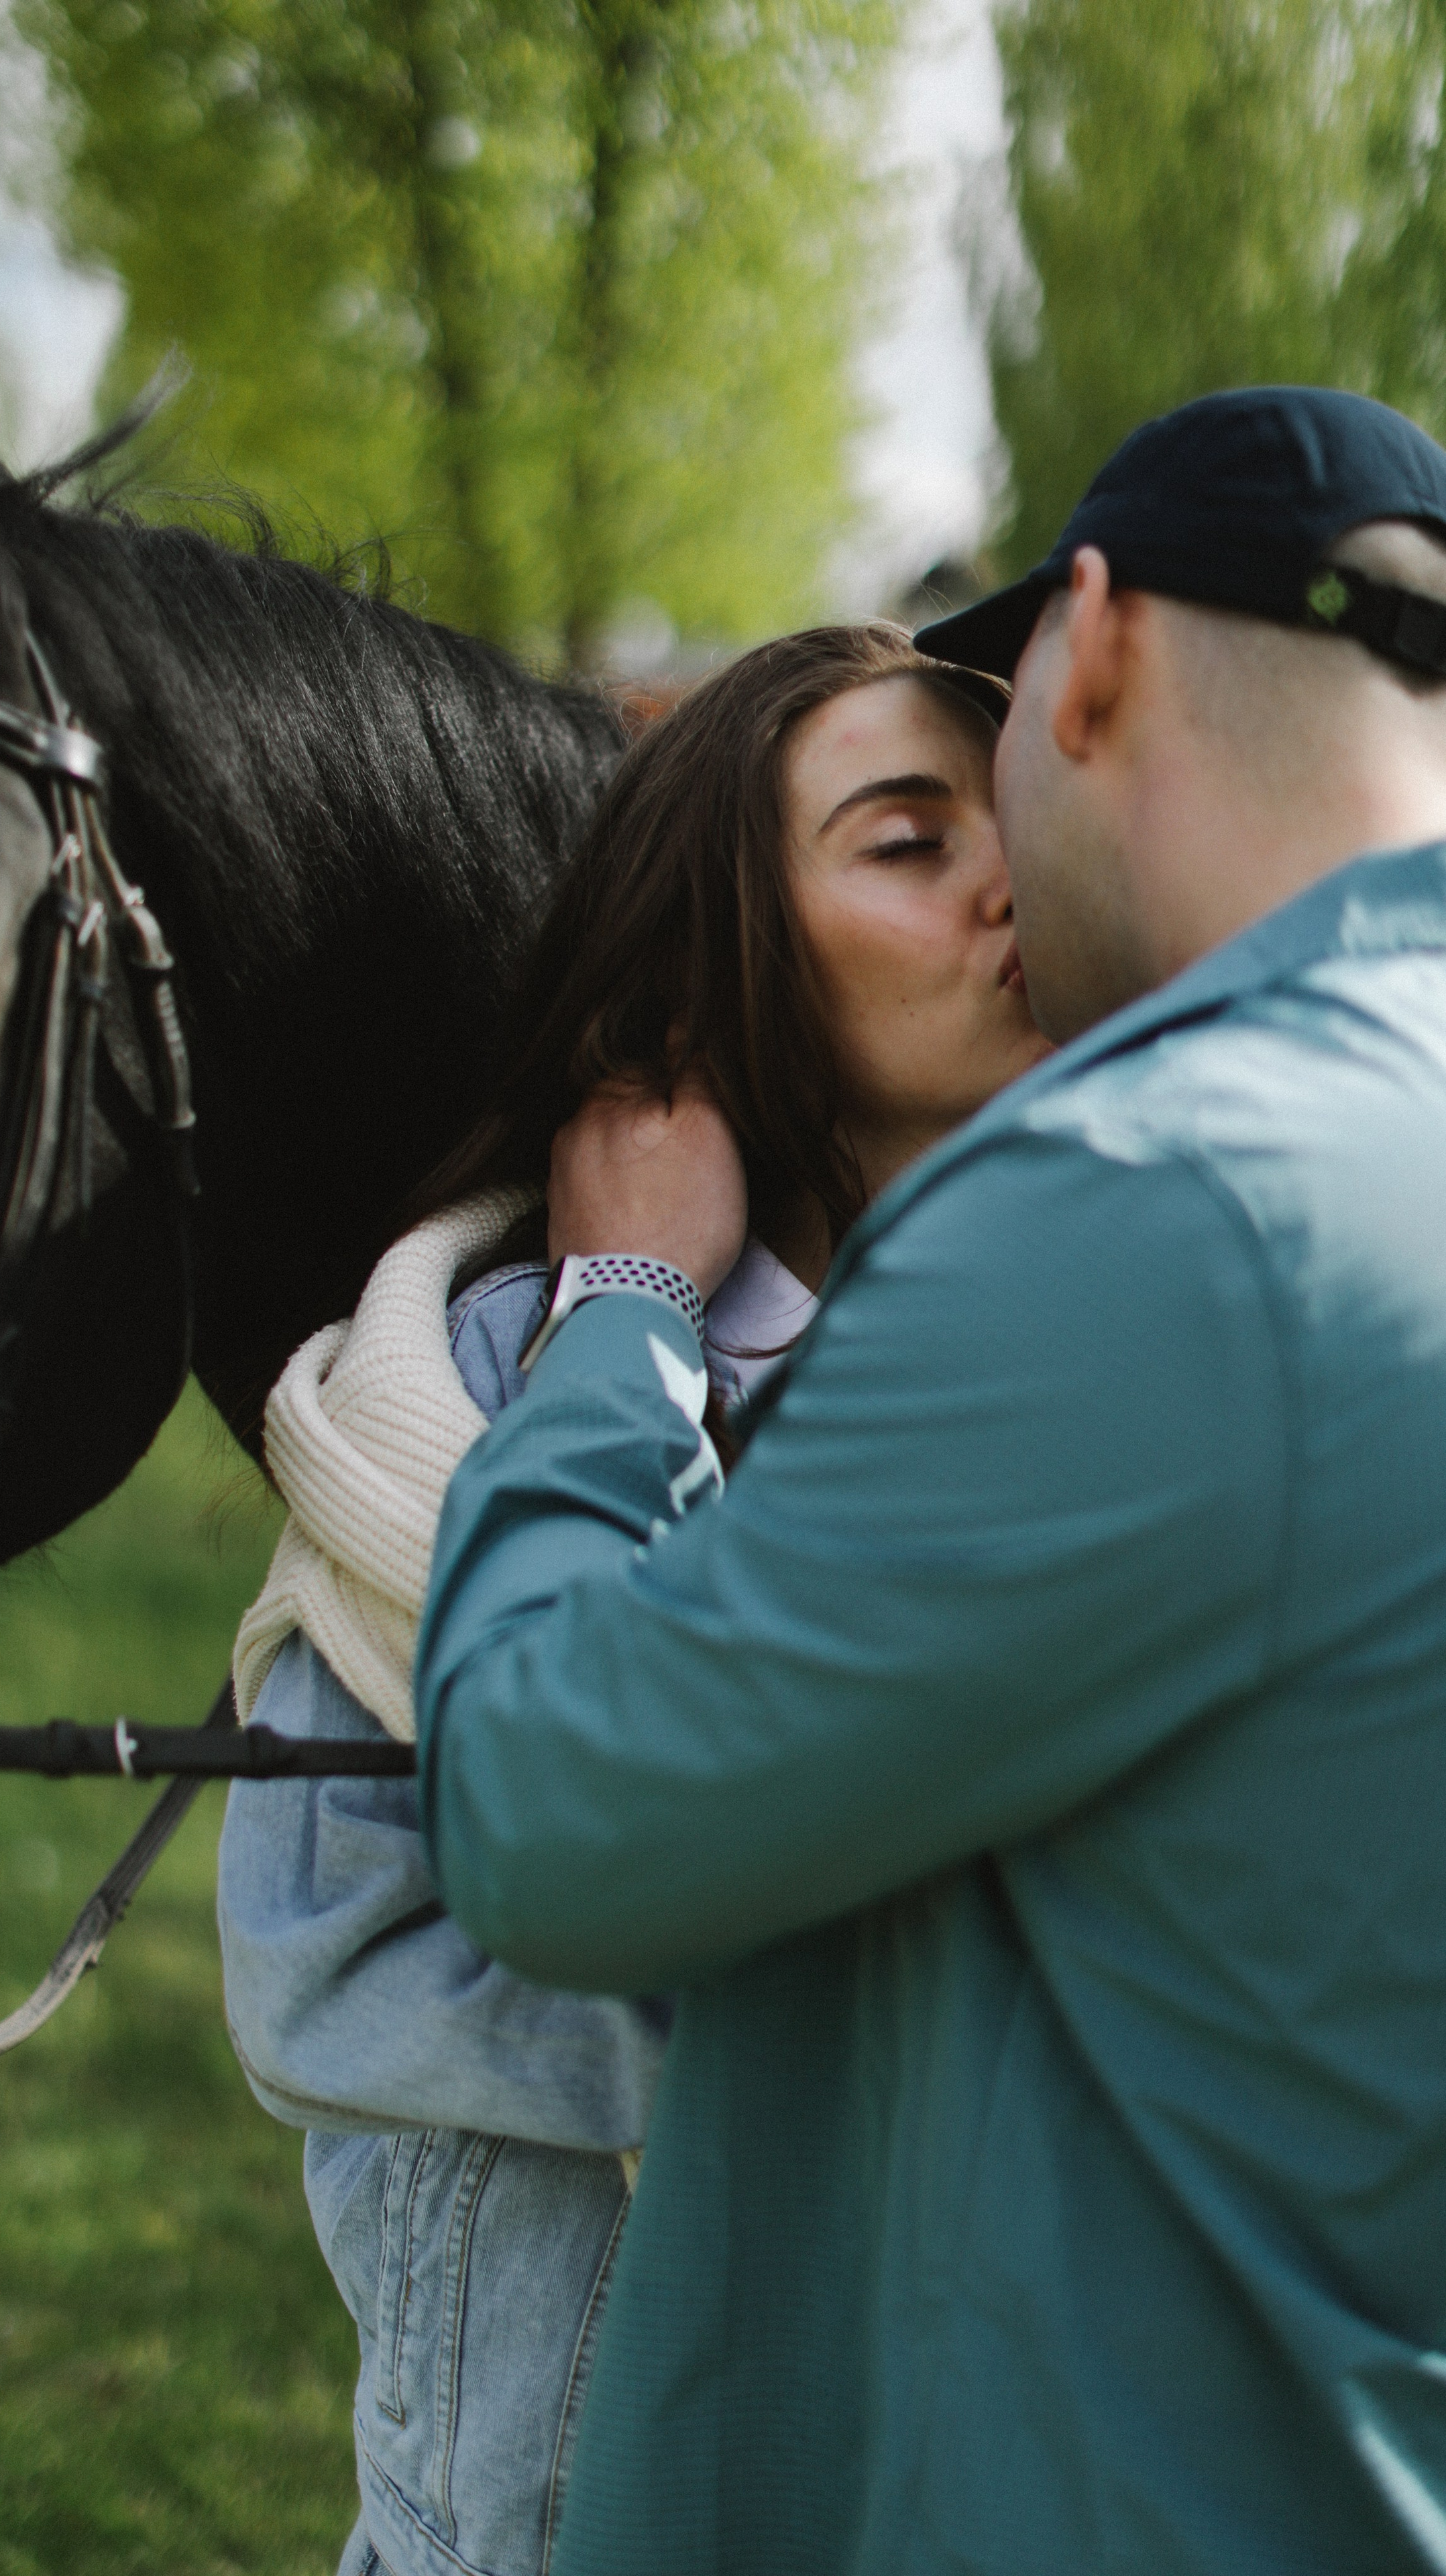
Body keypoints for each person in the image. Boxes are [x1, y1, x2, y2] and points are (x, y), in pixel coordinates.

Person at [412, 388, 1446, 2575]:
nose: (990, 861)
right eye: (903, 831)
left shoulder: (1162, 1206)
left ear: (1092, 653)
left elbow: (548, 1820)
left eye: (988, 782)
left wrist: (617, 1327)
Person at [217, 623, 1048, 2576]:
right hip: (556, 2451)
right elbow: (324, 1963)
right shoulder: (490, 1383)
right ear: (731, 953)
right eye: (907, 842)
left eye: (1010, 820)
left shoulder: (1094, 1346)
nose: (1010, 876)